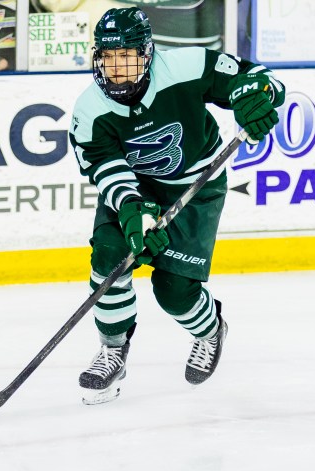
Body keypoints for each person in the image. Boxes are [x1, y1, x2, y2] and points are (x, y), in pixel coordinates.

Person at [68, 7, 285, 405]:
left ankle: (210, 331)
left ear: (147, 53)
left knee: (174, 291)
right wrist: (133, 211)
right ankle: (113, 349)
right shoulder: (89, 111)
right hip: (135, 188)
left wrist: (259, 97)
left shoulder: (187, 66)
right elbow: (105, 168)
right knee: (110, 258)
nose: (116, 68)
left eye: (126, 56)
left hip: (195, 186)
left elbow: (256, 78)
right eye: (108, 56)